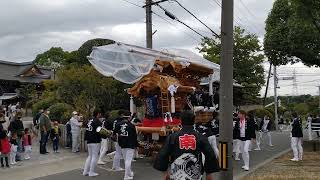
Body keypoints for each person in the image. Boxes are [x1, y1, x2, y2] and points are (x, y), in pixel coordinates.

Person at [154, 111, 219, 180]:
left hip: (177, 175)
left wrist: (165, 173)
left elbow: (163, 154)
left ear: (181, 121)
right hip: (195, 175)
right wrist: (209, 174)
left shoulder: (172, 137)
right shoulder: (200, 137)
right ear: (194, 121)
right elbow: (210, 154)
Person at [114, 110, 138, 180]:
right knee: (128, 160)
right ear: (129, 117)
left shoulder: (118, 124)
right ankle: (126, 176)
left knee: (126, 160)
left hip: (122, 144)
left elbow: (114, 133)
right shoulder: (131, 125)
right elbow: (134, 136)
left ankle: (129, 173)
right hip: (130, 144)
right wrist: (136, 145)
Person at [83, 110, 103, 177]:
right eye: (100, 113)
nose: (100, 115)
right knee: (94, 156)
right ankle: (91, 172)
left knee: (90, 156)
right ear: (98, 114)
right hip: (95, 140)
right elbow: (100, 131)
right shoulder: (97, 121)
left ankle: (85, 171)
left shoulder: (90, 121)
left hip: (89, 140)